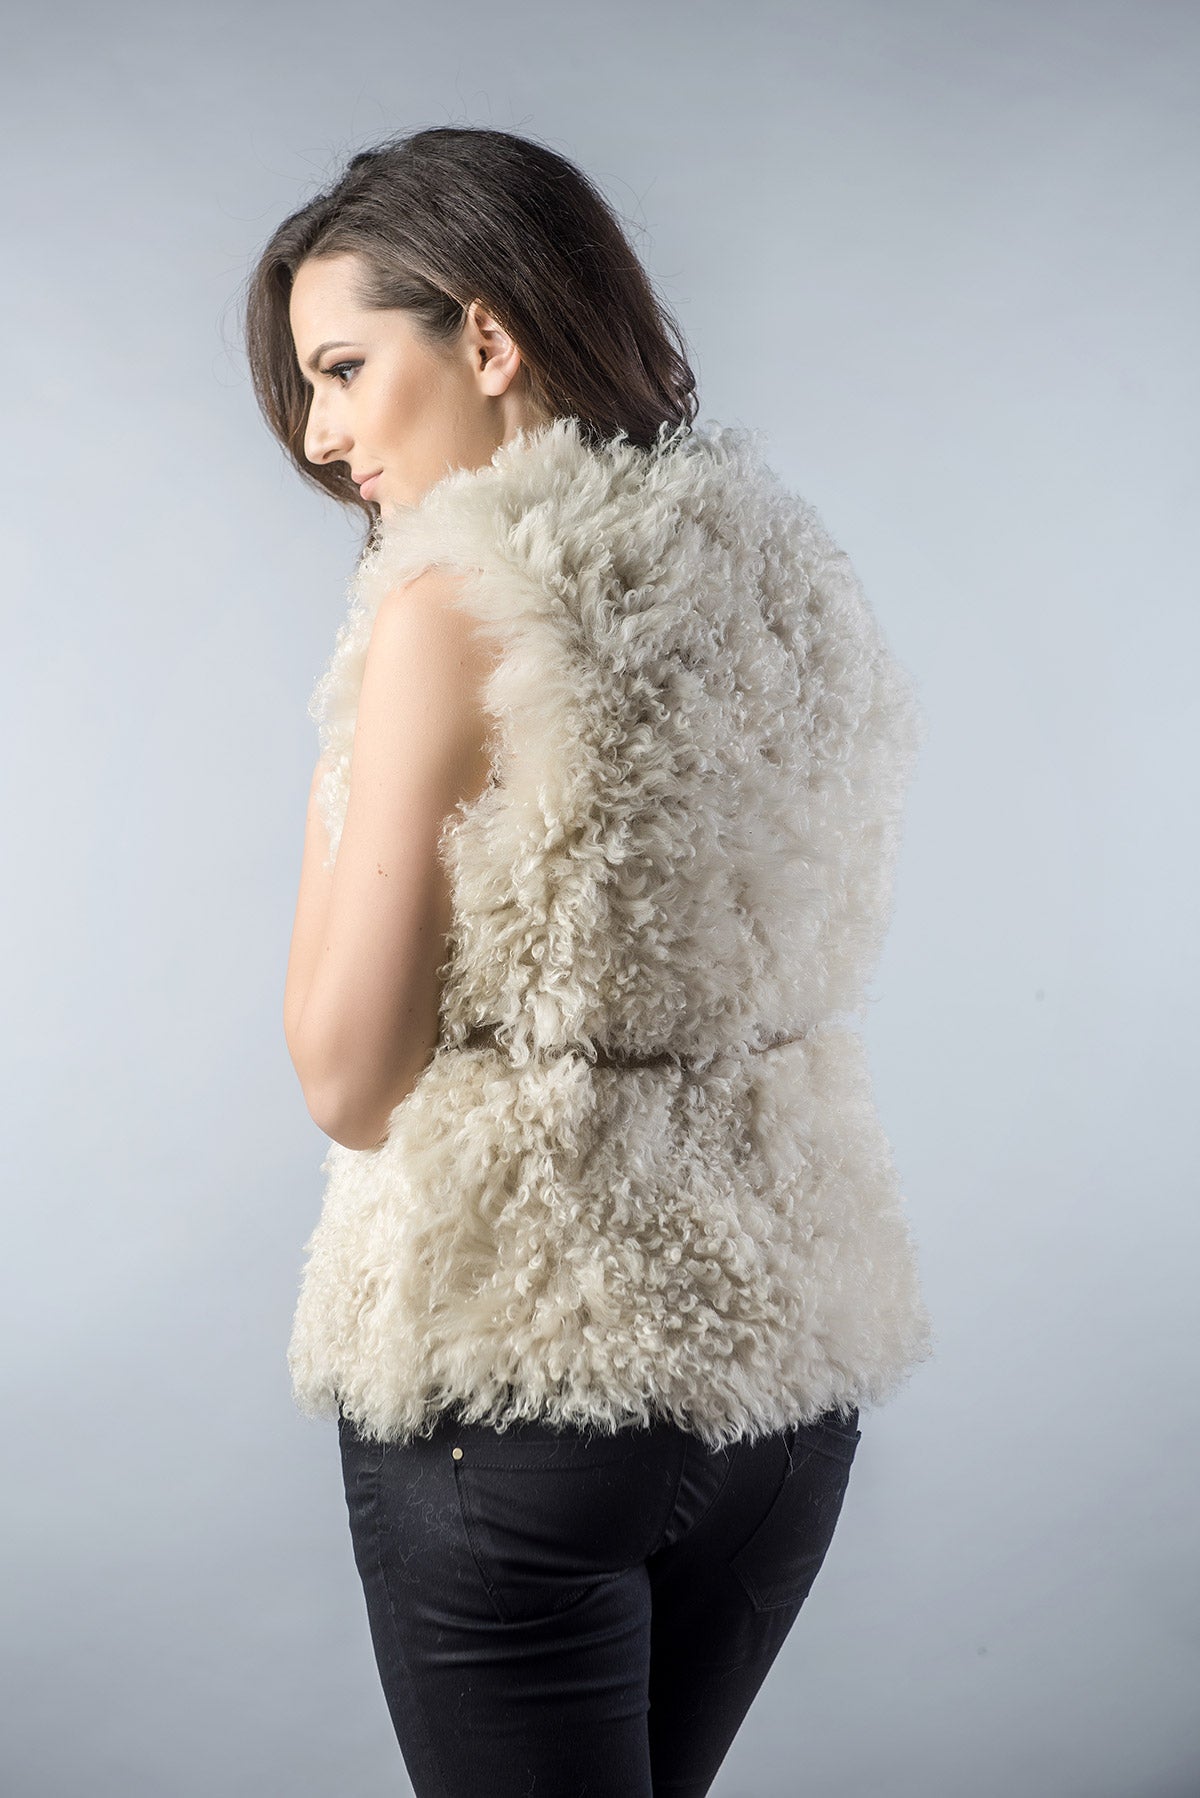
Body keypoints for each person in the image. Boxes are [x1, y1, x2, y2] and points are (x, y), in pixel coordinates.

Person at [242, 124, 934, 1798]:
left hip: (514, 1382)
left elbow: (346, 1074)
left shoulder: (440, 606)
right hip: (779, 1383)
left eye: (341, 368)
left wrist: (342, 768)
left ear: (484, 339)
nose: (327, 436)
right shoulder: (789, 573)